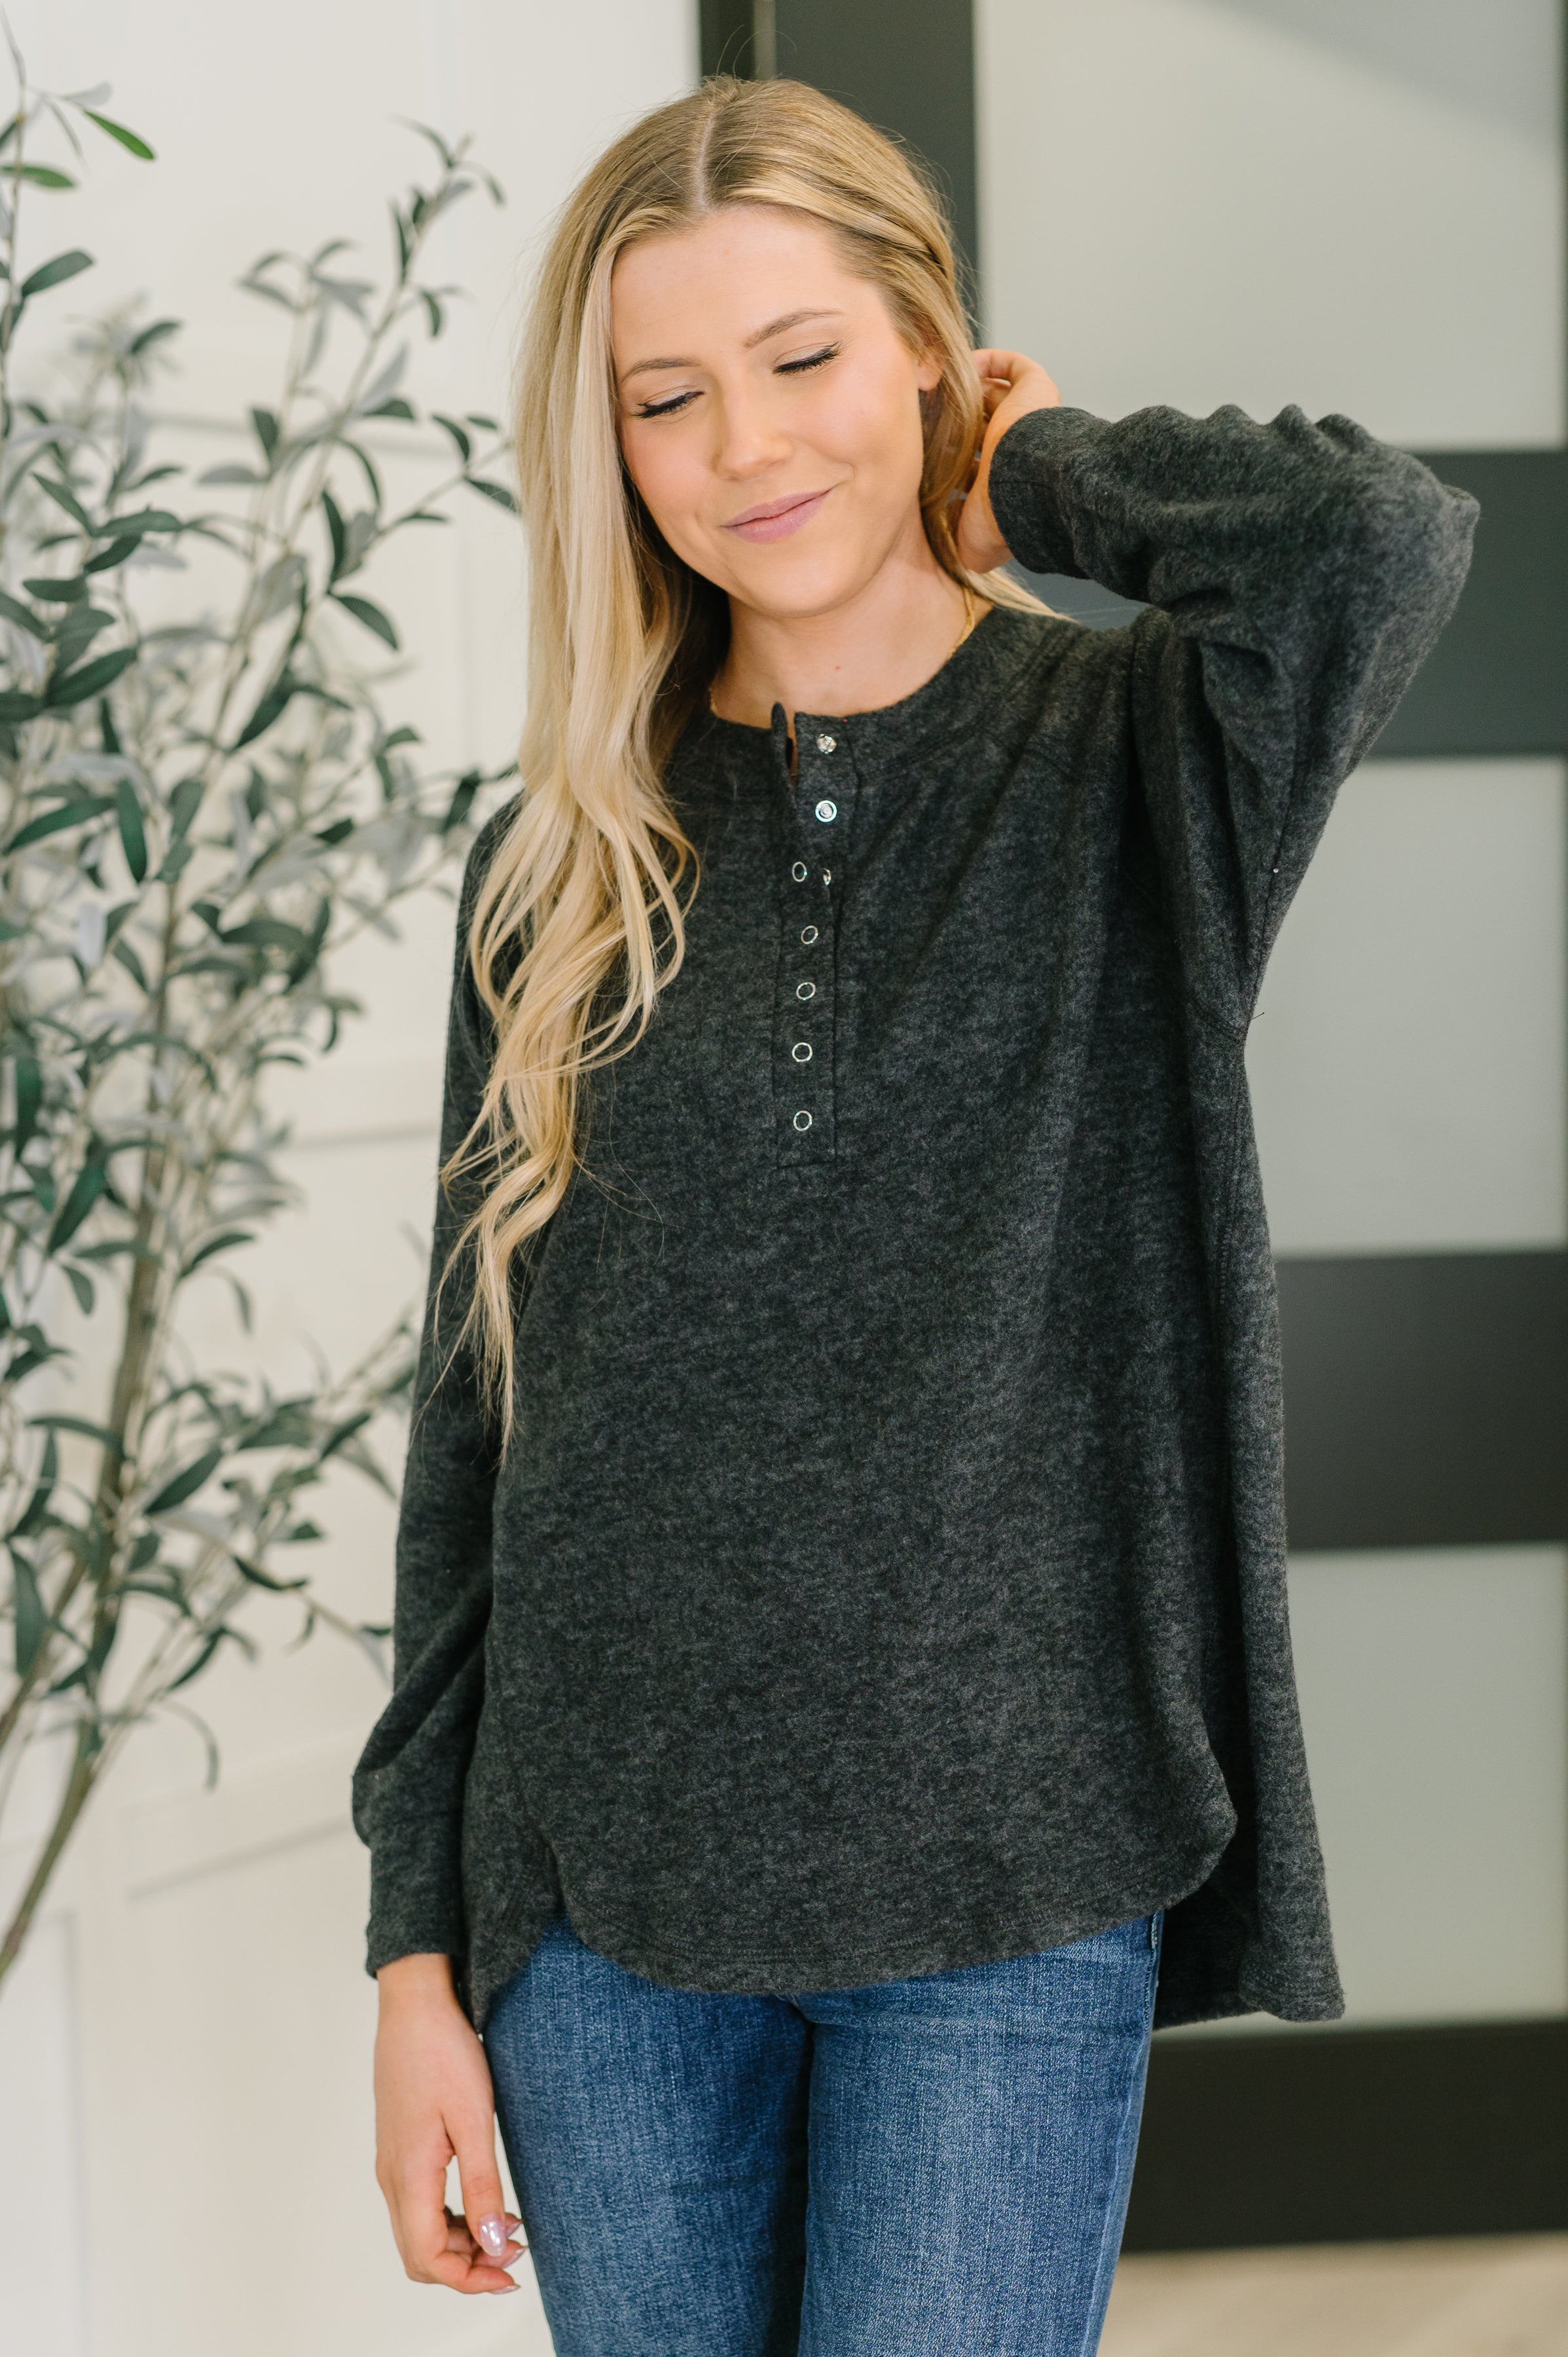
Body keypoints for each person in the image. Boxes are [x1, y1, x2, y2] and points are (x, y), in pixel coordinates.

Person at [352, 73, 1476, 2357]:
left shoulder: (1140, 754)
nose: (745, 446)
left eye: (804, 358)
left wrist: (1029, 470)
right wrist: (412, 1956)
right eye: (665, 396)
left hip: (1011, 1868)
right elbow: (478, 1433)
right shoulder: (558, 858)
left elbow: (1370, 537)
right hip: (600, 1908)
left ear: (927, 347)